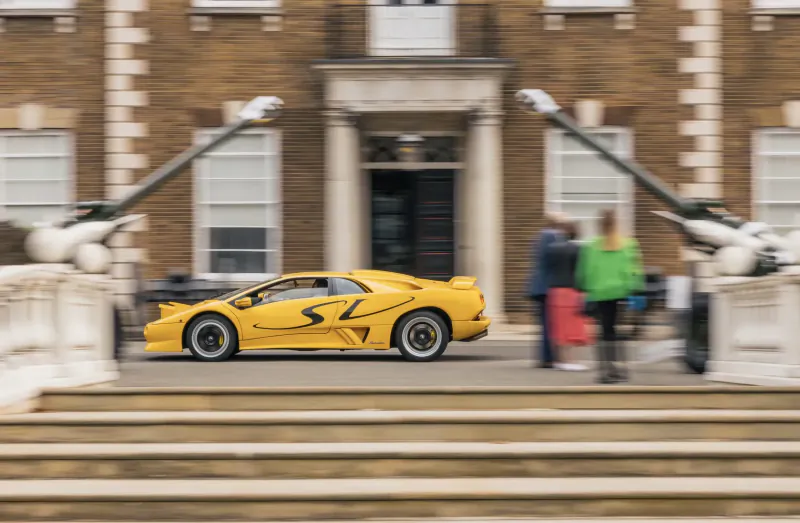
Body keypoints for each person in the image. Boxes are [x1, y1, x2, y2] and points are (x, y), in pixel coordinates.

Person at [576, 209, 644, 383]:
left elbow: (585, 271)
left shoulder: (591, 246)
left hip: (599, 292)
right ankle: (621, 368)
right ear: (616, 224)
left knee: (604, 330)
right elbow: (633, 269)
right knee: (617, 330)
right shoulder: (628, 244)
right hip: (621, 291)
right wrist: (636, 287)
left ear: (599, 225)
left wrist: (583, 287)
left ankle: (605, 370)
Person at [544, 220, 592, 371]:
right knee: (572, 326)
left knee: (558, 326)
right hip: (571, 290)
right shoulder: (578, 250)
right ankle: (571, 360)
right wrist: (584, 290)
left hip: (554, 290)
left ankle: (559, 359)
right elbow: (581, 272)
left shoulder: (551, 249)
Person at [526, 211, 567, 368]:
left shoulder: (540, 236)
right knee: (549, 323)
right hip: (547, 286)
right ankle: (548, 357)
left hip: (539, 285)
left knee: (545, 322)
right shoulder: (552, 236)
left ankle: (547, 357)